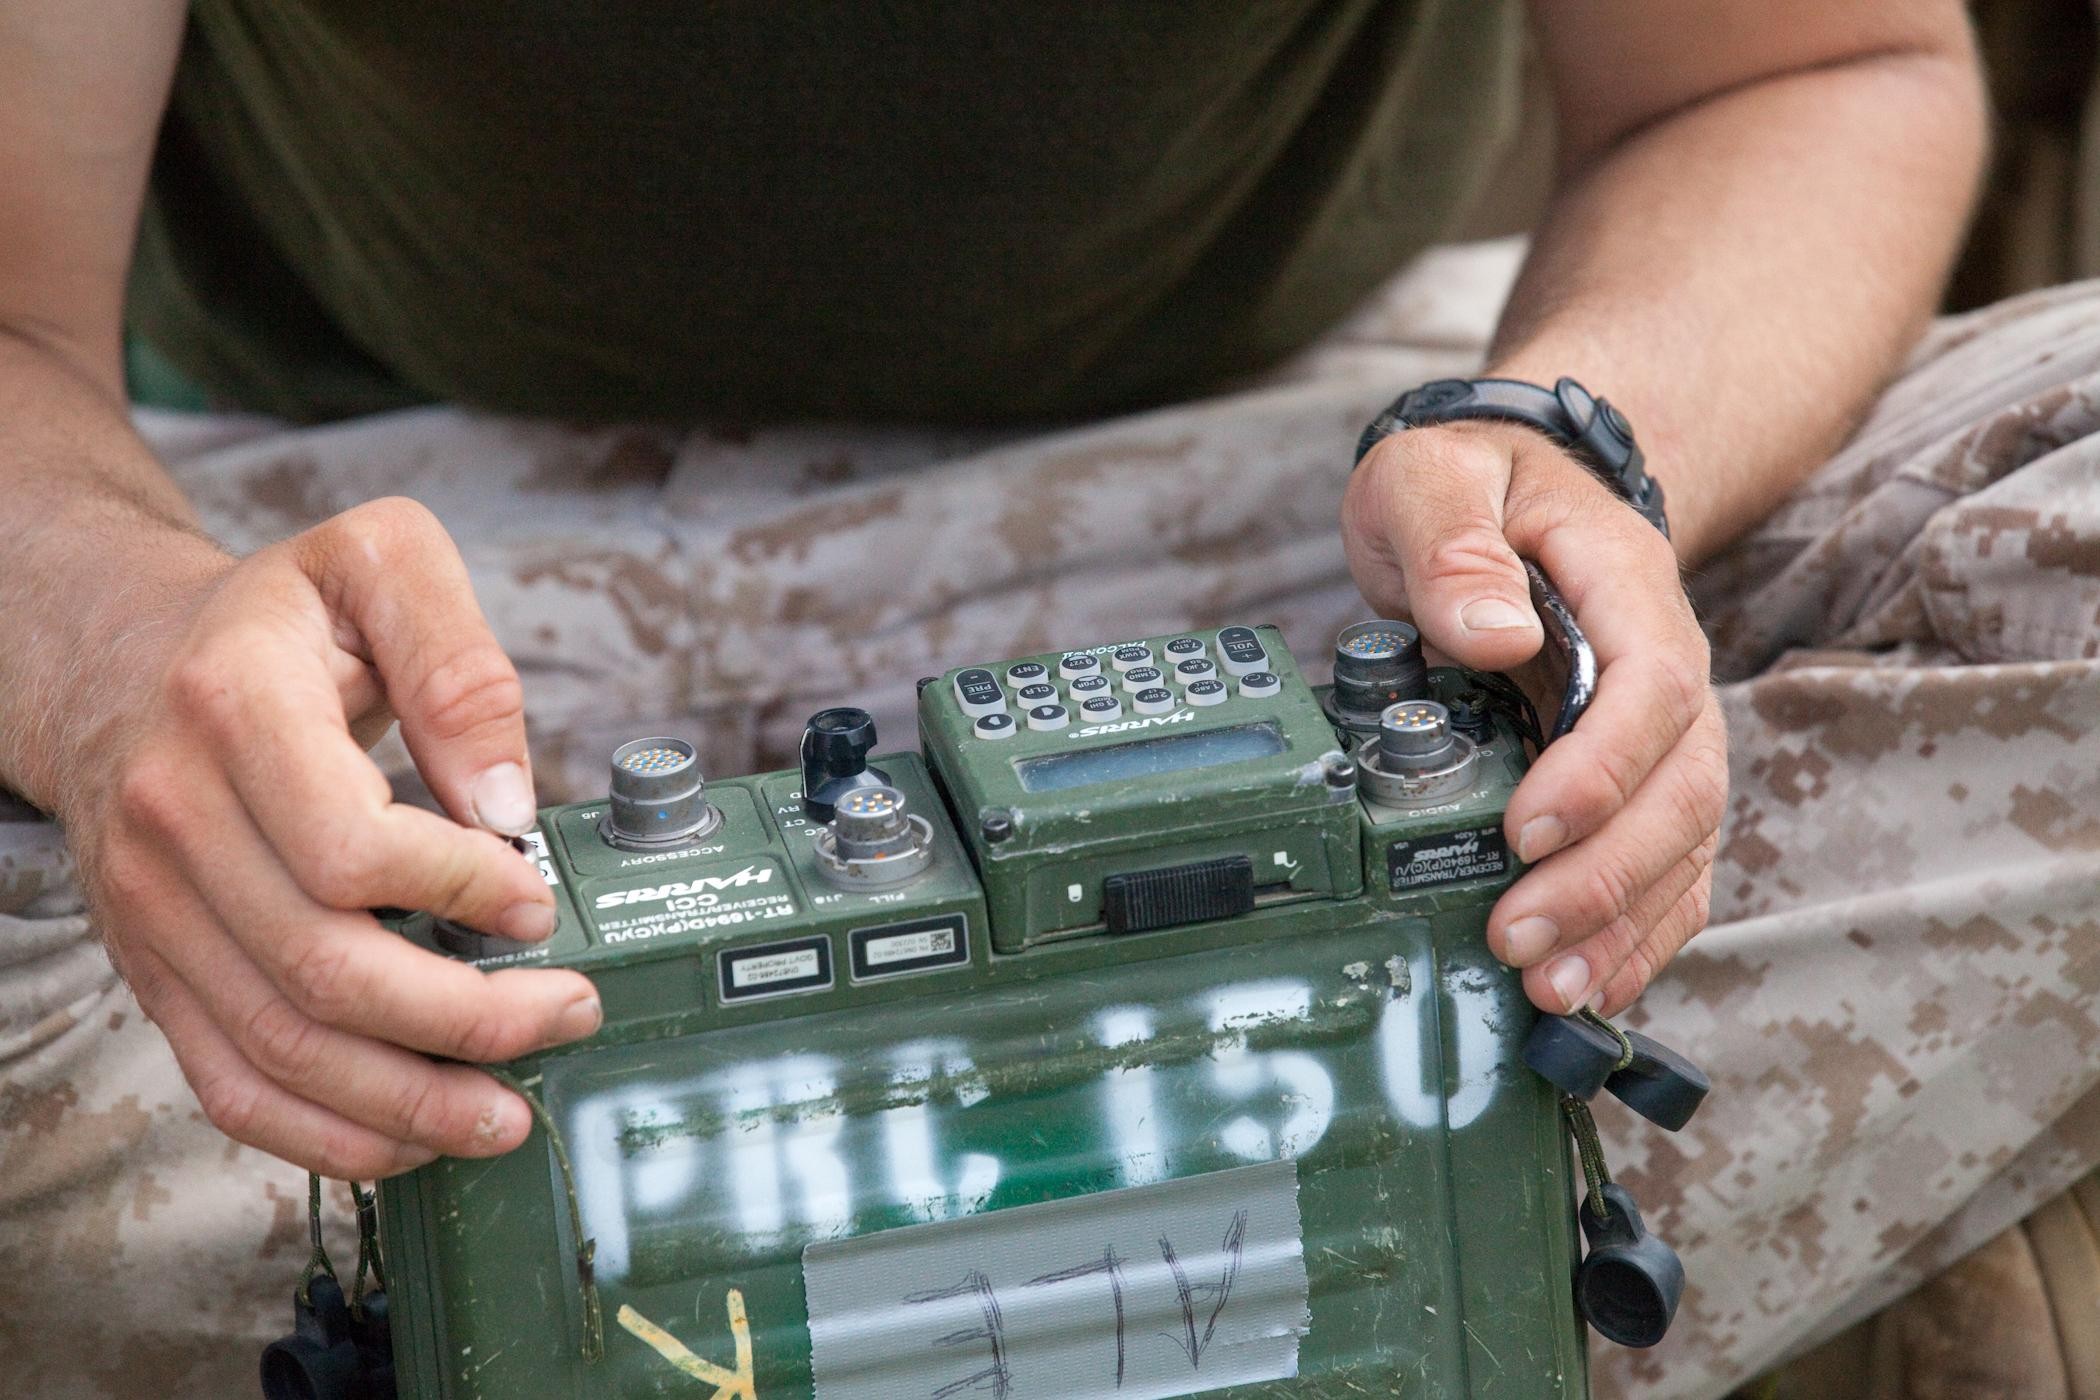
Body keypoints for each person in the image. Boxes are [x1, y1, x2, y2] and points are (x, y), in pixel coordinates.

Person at [2, 2, 2095, 1396]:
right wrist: (113, 663)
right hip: (375, 595)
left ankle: (594, 1279)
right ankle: (1337, 1217)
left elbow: (1805, 59)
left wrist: (1570, 452)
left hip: (1306, 511)